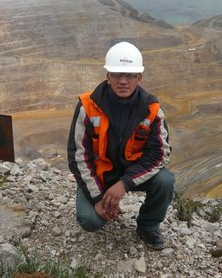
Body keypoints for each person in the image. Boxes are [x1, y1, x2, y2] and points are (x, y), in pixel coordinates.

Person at [67, 41, 174, 250]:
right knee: (90, 221)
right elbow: (78, 156)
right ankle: (103, 205)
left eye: (130, 75)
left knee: (165, 180)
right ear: (108, 76)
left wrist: (124, 184)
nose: (123, 81)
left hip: (132, 174)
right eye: (117, 74)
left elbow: (160, 155)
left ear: (139, 78)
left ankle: (148, 225)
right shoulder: (87, 106)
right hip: (100, 176)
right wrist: (99, 198)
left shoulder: (151, 109)